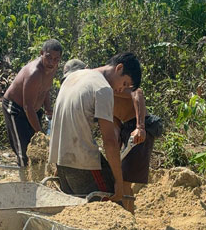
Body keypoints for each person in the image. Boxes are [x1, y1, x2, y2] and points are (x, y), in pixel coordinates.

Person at [62, 59, 161, 211]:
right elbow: (111, 116)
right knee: (117, 177)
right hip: (123, 127)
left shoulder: (109, 84)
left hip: (137, 128)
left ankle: (129, 218)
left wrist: (140, 127)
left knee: (124, 180)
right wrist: (116, 139)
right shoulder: (96, 88)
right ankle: (127, 214)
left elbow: (137, 92)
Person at [49, 52, 142, 201]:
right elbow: (109, 142)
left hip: (61, 164)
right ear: (119, 68)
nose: (121, 89)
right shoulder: (102, 88)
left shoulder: (74, 77)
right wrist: (118, 182)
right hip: (83, 165)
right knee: (114, 206)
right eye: (124, 83)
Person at [1, 39, 63, 166]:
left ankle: (34, 175)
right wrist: (40, 133)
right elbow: (27, 106)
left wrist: (48, 108)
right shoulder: (34, 73)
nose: (52, 62)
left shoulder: (53, 68)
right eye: (48, 57)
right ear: (41, 53)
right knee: (24, 151)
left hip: (33, 110)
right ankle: (24, 176)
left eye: (56, 59)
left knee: (36, 148)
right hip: (16, 108)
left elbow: (46, 89)